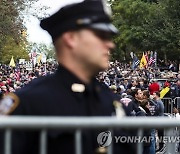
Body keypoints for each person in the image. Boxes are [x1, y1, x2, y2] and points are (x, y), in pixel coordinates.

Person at [0, 1, 133, 154]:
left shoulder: (112, 103)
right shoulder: (28, 103)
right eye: (101, 35)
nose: (110, 45)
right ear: (71, 38)